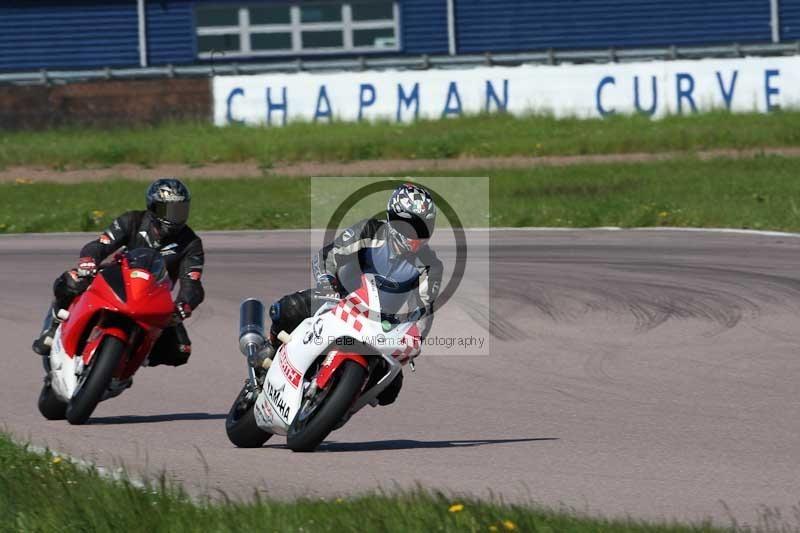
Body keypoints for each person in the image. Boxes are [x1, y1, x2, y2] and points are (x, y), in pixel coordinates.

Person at [264, 182, 443, 406]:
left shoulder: (429, 266)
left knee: (390, 390)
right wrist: (327, 285)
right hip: (337, 299)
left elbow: (424, 311)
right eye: (411, 226)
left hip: (378, 325)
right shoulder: (370, 231)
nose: (416, 234)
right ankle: (268, 350)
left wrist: (413, 341)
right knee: (289, 308)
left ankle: (339, 401)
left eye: (423, 228)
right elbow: (327, 256)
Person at [32, 178, 205, 368]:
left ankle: (129, 362)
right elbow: (100, 245)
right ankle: (53, 328)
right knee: (72, 280)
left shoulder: (191, 243)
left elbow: (193, 284)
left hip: (153, 295)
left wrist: (184, 305)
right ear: (154, 208)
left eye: (180, 211)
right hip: (116, 279)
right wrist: (89, 260)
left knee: (180, 350)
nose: (175, 218)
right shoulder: (132, 220)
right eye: (170, 211)